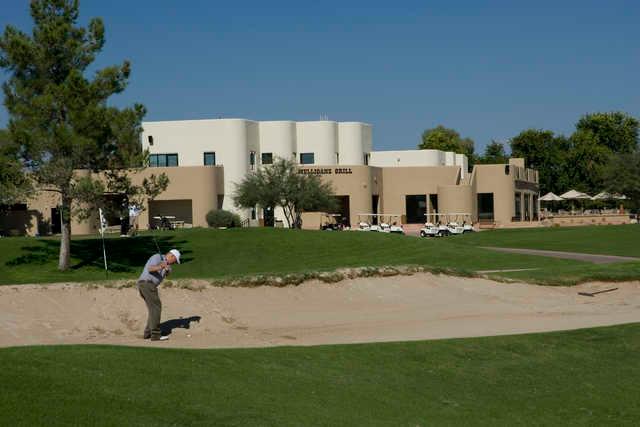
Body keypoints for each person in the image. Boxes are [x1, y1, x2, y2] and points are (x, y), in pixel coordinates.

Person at [137, 249, 181, 341]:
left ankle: (148, 333)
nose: (175, 263)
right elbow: (150, 268)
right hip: (147, 284)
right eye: (175, 261)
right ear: (171, 256)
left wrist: (167, 270)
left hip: (148, 285)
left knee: (153, 309)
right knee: (157, 307)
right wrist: (161, 266)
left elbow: (167, 273)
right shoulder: (157, 257)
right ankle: (156, 335)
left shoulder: (167, 264)